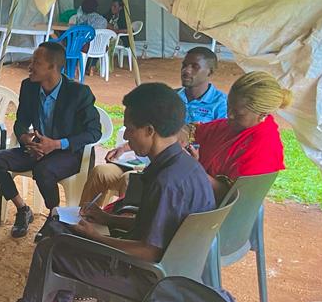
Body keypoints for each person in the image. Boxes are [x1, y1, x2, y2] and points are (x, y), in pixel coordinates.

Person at [0, 82, 214, 302]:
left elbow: (149, 250)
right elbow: (158, 226)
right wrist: (108, 219)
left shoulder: (167, 181)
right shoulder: (185, 167)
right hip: (173, 268)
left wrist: (94, 236)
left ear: (150, 131)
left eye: (130, 129)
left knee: (49, 249)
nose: (127, 135)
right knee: (60, 229)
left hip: (148, 277)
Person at [79, 46, 227, 204]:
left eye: (194, 67)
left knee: (129, 181)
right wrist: (124, 148)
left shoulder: (221, 105)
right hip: (148, 159)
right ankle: (82, 219)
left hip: (177, 168)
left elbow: (217, 147)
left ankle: (121, 221)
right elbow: (151, 132)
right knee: (100, 172)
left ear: (210, 72)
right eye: (184, 65)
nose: (187, 70)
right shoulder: (171, 98)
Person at [0, 42, 101, 237]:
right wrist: (25, 138)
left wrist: (56, 144)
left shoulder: (79, 93)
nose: (29, 67)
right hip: (36, 150)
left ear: (52, 67)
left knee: (43, 170)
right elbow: (21, 121)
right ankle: (23, 209)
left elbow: (94, 132)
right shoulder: (29, 87)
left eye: (36, 63)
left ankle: (53, 217)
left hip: (68, 153)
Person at [191, 71, 289, 201]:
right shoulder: (229, 127)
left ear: (262, 115)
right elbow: (196, 132)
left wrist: (193, 169)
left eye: (238, 113)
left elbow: (234, 199)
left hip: (218, 214)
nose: (229, 115)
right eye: (228, 106)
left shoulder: (265, 147)